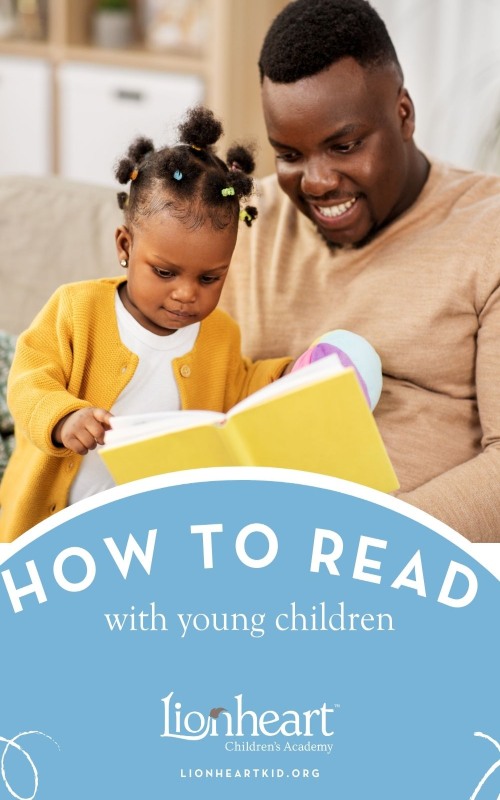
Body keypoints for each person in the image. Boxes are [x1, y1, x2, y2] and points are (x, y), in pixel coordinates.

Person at [219, 0, 500, 542]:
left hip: (396, 567)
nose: (317, 182)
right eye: (289, 156)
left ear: (404, 113)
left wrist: (355, 543)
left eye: (344, 146)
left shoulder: (487, 233)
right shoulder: (245, 230)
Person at [0, 106, 295, 542]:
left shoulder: (221, 336)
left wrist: (288, 375)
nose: (186, 294)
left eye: (210, 278)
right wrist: (63, 418)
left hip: (148, 536)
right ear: (126, 245)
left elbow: (243, 387)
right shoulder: (77, 310)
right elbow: (27, 382)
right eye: (164, 272)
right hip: (48, 528)